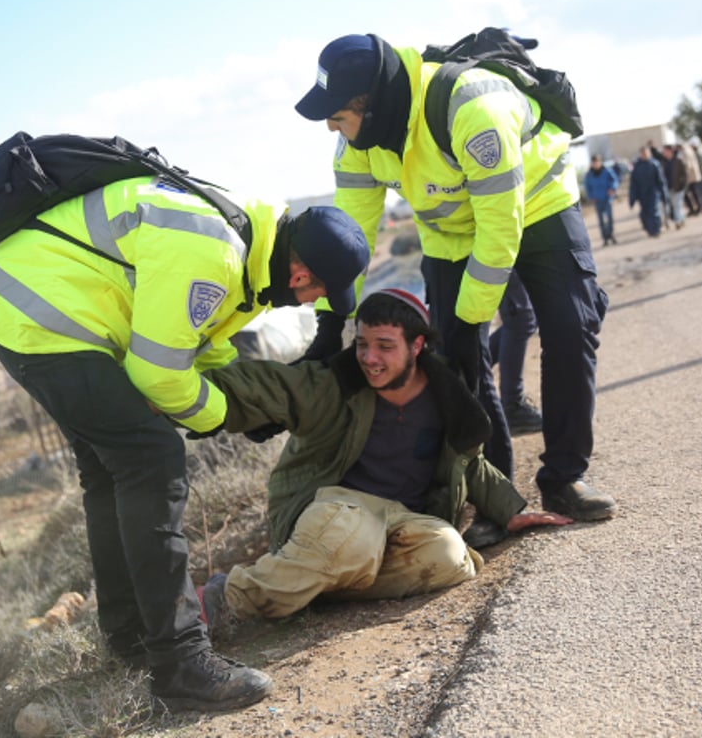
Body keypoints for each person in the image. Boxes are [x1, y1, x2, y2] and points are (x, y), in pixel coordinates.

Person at [0, 173, 369, 712]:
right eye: (317, 292)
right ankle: (180, 661)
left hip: (30, 305)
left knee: (112, 472)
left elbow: (200, 345)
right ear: (300, 273)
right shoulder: (212, 252)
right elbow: (158, 373)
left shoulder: (246, 251)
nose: (312, 301)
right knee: (151, 457)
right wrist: (223, 414)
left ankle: (130, 638)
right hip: (44, 314)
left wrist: (248, 410)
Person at [293, 33, 617, 552]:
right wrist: (331, 324)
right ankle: (496, 499)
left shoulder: (472, 107)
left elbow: (500, 229)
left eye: (337, 115)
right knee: (458, 363)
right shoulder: (356, 145)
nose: (331, 126)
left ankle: (563, 478)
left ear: (369, 106)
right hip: (450, 234)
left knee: (570, 326)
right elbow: (350, 241)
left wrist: (471, 320)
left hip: (534, 205)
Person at [195, 288, 572, 629]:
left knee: (449, 556)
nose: (369, 358)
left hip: (399, 520)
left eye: (384, 346)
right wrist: (186, 393)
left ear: (417, 345)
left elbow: (468, 464)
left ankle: (308, 584)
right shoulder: (334, 384)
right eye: (362, 344)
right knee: (349, 537)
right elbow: (268, 386)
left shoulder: (446, 393)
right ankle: (224, 598)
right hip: (333, 509)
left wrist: (511, 509)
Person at [488, 272, 543, 436]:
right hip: (491, 251)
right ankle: (512, 404)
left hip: (496, 251)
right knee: (520, 316)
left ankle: (466, 377)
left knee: (524, 317)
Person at [629, 146, 668, 238]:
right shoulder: (637, 167)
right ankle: (650, 230)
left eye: (647, 153)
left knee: (654, 212)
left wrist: (664, 194)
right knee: (645, 214)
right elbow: (633, 184)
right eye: (643, 153)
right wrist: (632, 198)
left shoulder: (655, 164)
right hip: (642, 195)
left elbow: (661, 181)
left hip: (653, 193)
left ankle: (656, 229)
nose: (645, 155)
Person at [583, 154, 620, 246]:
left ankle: (611, 234)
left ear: (600, 162)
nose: (596, 164)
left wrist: (612, 188)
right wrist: (591, 197)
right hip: (597, 200)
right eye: (594, 163)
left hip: (607, 199)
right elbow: (587, 187)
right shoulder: (589, 175)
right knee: (601, 221)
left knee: (610, 218)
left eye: (597, 162)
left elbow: (615, 180)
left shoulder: (607, 171)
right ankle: (605, 238)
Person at [662, 145, 688, 229]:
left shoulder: (678, 160)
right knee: (675, 205)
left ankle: (678, 222)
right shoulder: (664, 163)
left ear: (670, 151)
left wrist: (682, 184)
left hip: (679, 187)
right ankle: (681, 219)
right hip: (669, 188)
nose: (664, 153)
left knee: (677, 204)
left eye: (665, 151)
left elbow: (684, 174)